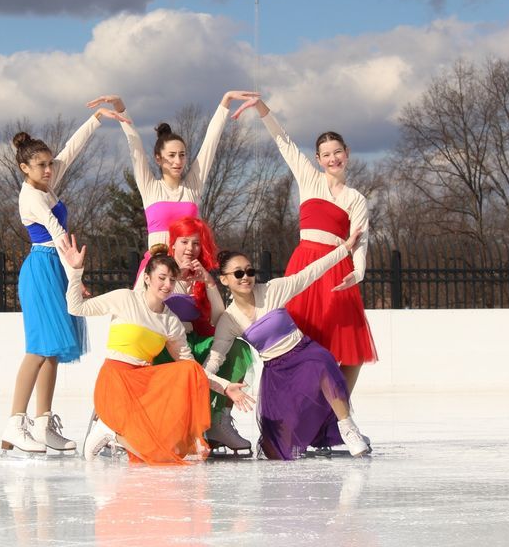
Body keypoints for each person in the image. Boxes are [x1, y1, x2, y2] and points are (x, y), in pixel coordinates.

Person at [59, 234, 254, 465]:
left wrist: (225, 387)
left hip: (144, 385)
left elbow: (190, 368)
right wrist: (75, 272)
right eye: (161, 278)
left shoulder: (170, 321)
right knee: (158, 455)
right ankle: (110, 426)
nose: (167, 285)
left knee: (165, 452)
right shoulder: (125, 299)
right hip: (115, 381)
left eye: (172, 279)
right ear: (147, 278)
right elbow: (76, 307)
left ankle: (114, 432)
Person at [2, 102, 129, 454]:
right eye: (40, 165)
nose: (48, 168)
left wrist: (97, 118)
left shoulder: (47, 181)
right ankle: (15, 423)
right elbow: (58, 232)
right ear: (23, 167)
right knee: (39, 349)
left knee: (54, 351)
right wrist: (75, 270)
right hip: (42, 268)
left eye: (48, 163)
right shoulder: (30, 196)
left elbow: (70, 152)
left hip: (56, 266)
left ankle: (43, 423)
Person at [232, 98, 377, 393]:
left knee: (348, 352)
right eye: (326, 154)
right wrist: (262, 109)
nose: (333, 158)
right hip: (306, 266)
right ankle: (301, 411)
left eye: (338, 152)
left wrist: (358, 273)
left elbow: (361, 242)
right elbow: (284, 142)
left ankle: (338, 414)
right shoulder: (309, 179)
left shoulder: (355, 198)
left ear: (347, 154)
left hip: (339, 273)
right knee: (302, 343)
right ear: (318, 158)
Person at [210, 228, 371, 460]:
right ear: (224, 279)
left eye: (249, 271)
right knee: (277, 450)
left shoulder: (272, 290)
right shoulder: (229, 319)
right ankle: (314, 434)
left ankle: (348, 428)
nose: (245, 277)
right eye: (237, 274)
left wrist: (344, 249)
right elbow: (214, 360)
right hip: (277, 373)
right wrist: (220, 384)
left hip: (304, 353)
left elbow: (311, 273)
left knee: (322, 362)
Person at [87, 91, 258, 288]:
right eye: (171, 155)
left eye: (182, 155)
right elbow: (134, 144)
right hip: (158, 271)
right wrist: (120, 107)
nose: (178, 161)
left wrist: (225, 102)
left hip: (188, 271)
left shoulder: (192, 187)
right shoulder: (150, 187)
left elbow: (210, 143)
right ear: (158, 158)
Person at [150, 217, 255, 455]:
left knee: (238, 349)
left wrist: (208, 283)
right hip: (164, 345)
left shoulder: (201, 277)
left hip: (193, 341)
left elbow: (220, 320)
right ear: (173, 245)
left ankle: (218, 422)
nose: (190, 249)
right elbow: (141, 307)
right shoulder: (160, 272)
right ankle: (179, 426)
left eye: (196, 243)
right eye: (184, 242)